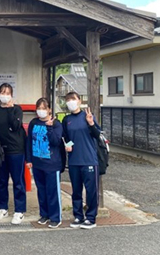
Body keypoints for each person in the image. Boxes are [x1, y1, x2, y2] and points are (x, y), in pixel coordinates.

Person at [0, 83, 27, 225]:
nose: (4, 95)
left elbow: (16, 125)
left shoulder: (17, 109)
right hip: (0, 150)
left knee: (18, 181)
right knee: (2, 181)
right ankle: (3, 207)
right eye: (2, 92)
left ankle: (19, 210)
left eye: (7, 93)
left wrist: (10, 108)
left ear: (11, 95)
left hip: (16, 150)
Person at [62, 92, 100, 229]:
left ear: (79, 101)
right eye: (68, 100)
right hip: (73, 161)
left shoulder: (87, 116)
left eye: (73, 99)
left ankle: (91, 218)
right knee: (76, 191)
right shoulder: (66, 120)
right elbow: (66, 137)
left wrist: (91, 124)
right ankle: (78, 216)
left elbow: (97, 135)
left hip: (89, 159)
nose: (70, 102)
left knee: (91, 191)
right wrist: (68, 145)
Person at [26, 98, 64, 228]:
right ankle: (44, 214)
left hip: (52, 163)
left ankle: (55, 217)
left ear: (49, 110)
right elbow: (29, 141)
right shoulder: (33, 123)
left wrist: (49, 128)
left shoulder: (56, 124)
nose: (41, 111)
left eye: (43, 108)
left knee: (52, 191)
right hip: (37, 163)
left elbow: (56, 142)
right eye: (39, 108)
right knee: (41, 191)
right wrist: (29, 159)